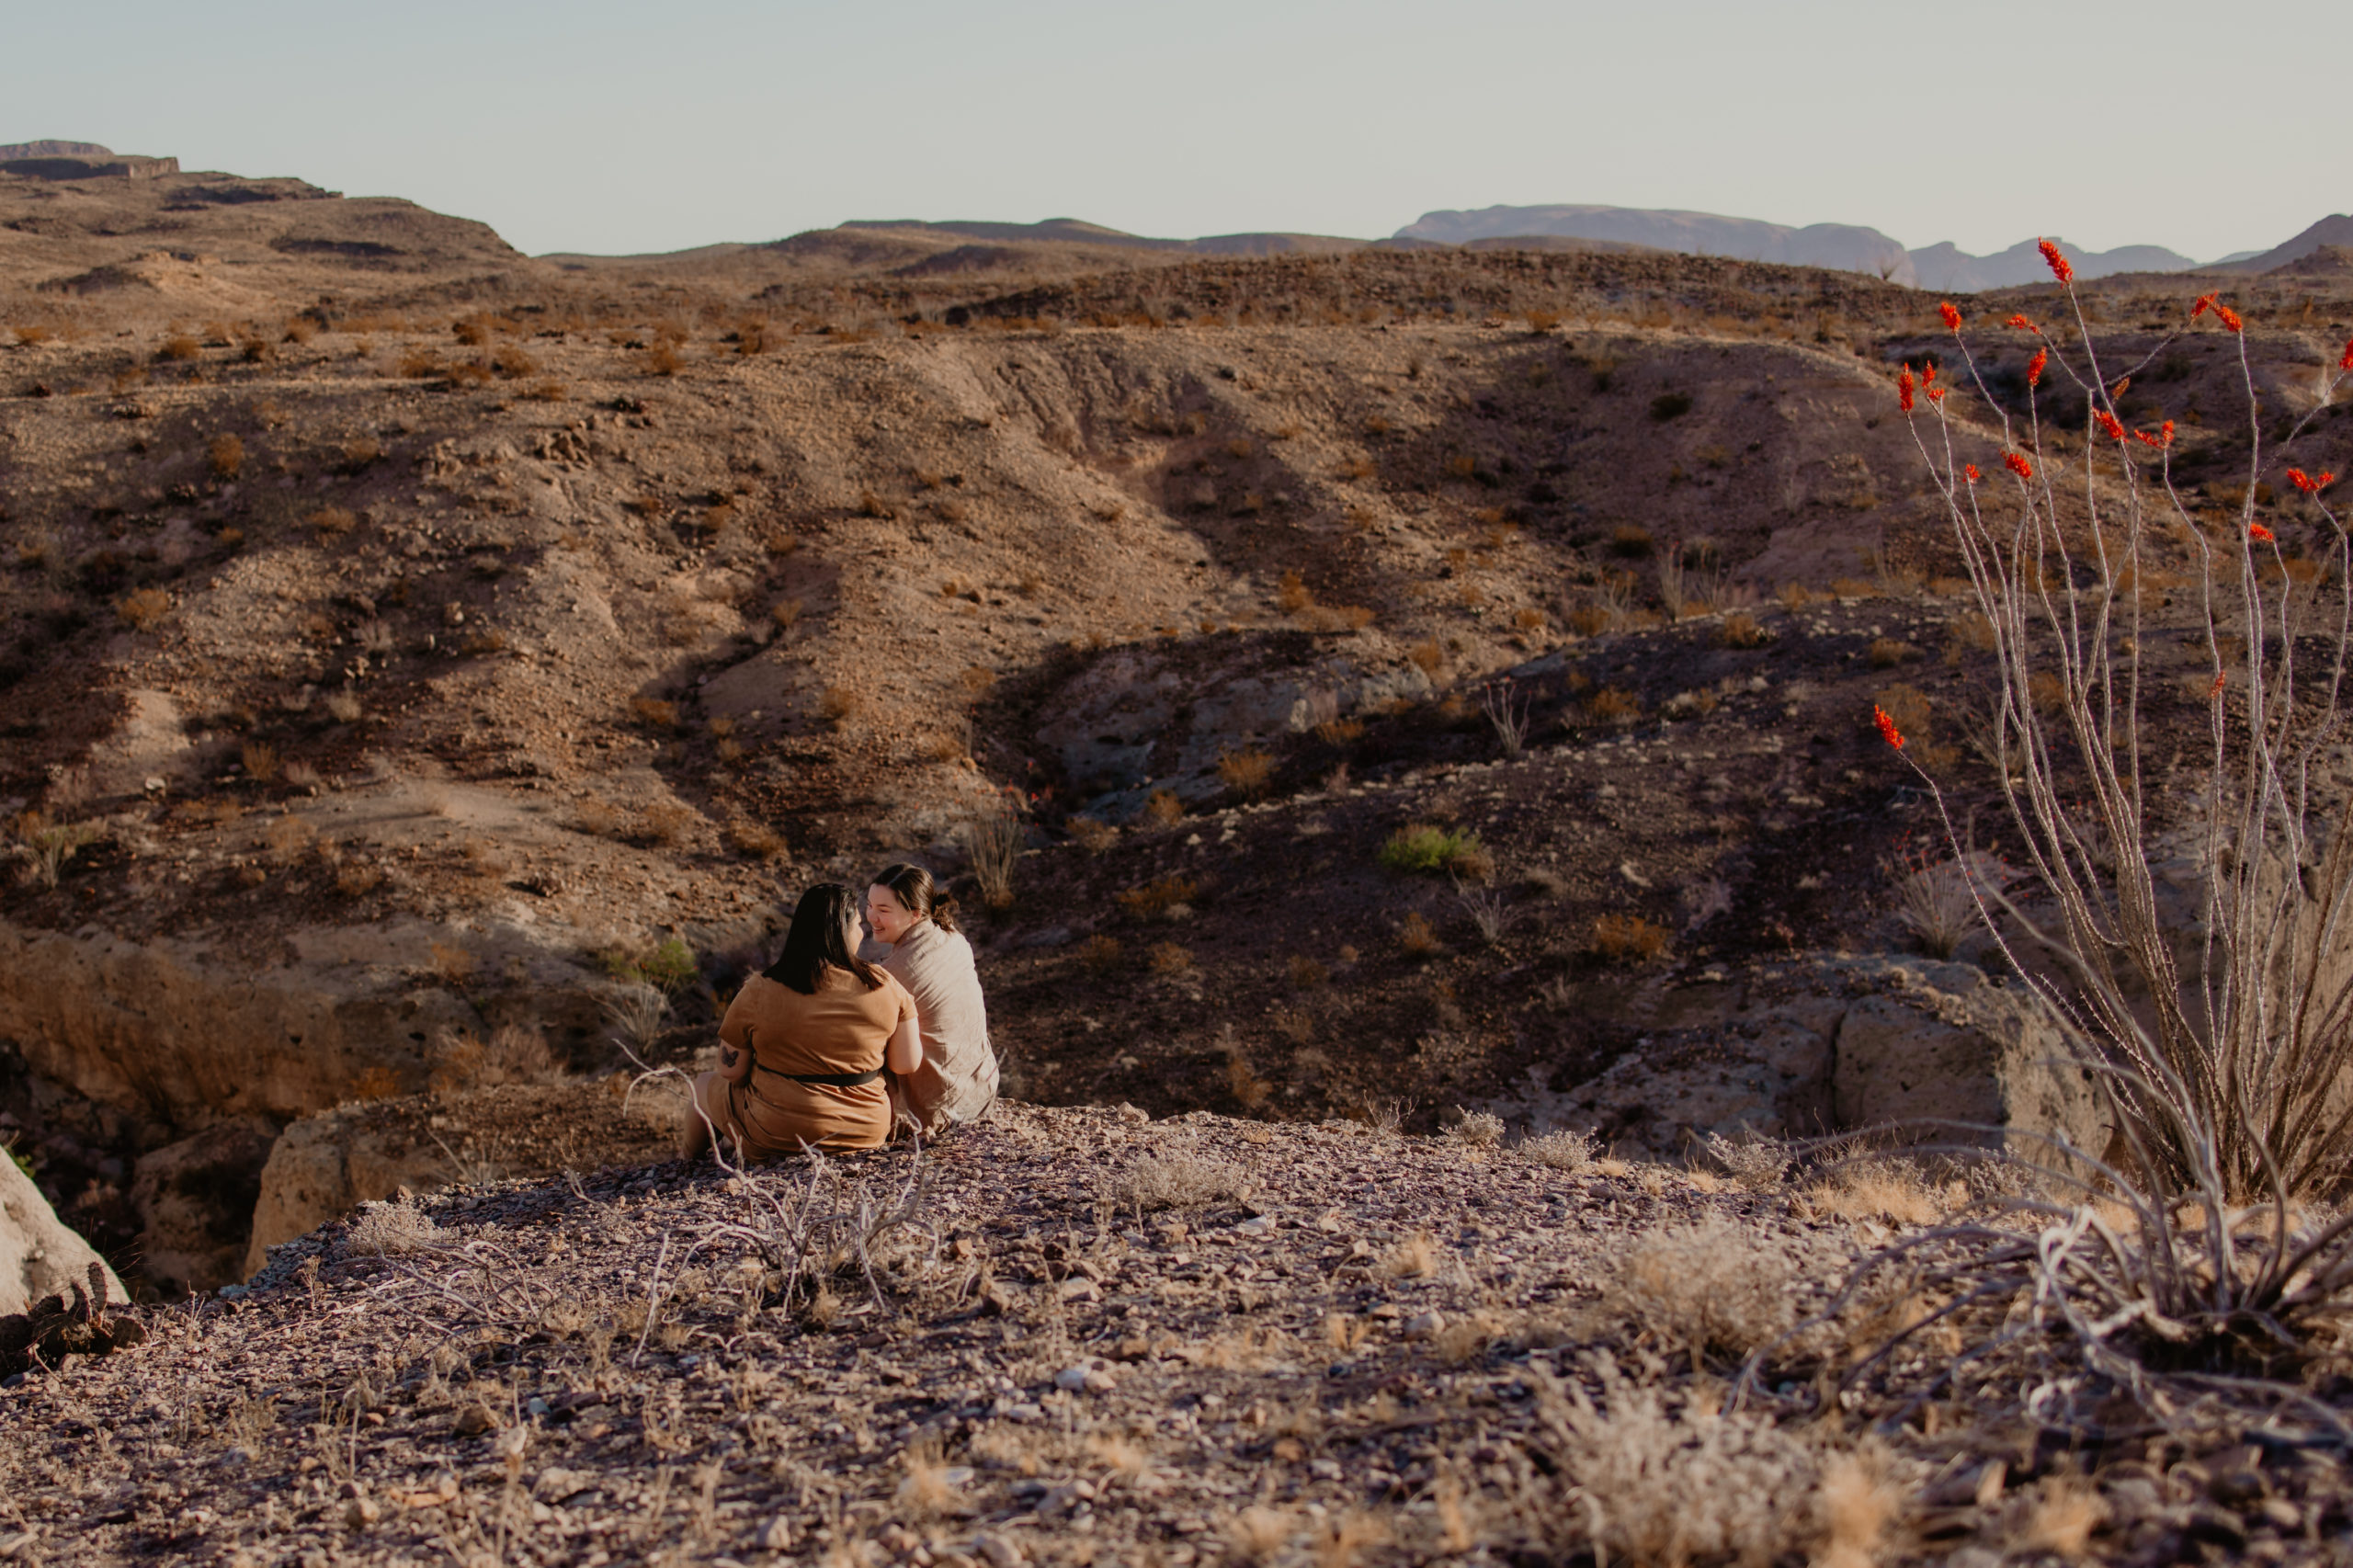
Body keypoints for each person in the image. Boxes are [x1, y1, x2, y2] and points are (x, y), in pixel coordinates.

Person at [688, 882, 921, 1159]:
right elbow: (906, 1063)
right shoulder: (884, 984)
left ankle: (687, 1163)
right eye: (857, 924)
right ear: (841, 932)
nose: (862, 931)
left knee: (700, 1085)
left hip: (778, 1133)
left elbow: (730, 1071)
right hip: (864, 1131)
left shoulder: (761, 988)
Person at [863, 863, 999, 1134]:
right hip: (981, 1092)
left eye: (884, 910)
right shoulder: (954, 939)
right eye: (870, 906)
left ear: (914, 914)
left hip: (934, 1110)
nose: (871, 917)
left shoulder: (895, 973)